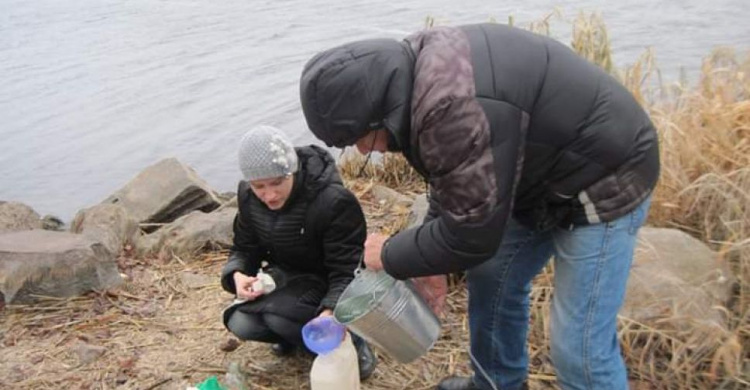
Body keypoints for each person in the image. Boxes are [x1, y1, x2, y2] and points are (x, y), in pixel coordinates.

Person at [299, 23, 659, 390]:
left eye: (360, 137)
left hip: (604, 176)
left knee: (579, 348)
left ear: (375, 110)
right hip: (535, 176)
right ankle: (496, 383)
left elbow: (471, 236)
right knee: (492, 276)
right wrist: (430, 260)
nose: (362, 150)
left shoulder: (450, 105)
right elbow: (452, 173)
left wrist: (390, 254)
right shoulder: (410, 79)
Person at [220, 125, 377, 380]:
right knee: (240, 321)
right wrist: (238, 274)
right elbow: (244, 247)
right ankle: (298, 338)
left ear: (291, 170)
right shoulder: (249, 198)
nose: (269, 195)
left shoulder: (333, 201)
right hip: (288, 276)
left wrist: (333, 312)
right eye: (259, 186)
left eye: (277, 182)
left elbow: (349, 269)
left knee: (279, 318)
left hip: (330, 281)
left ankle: (352, 342)